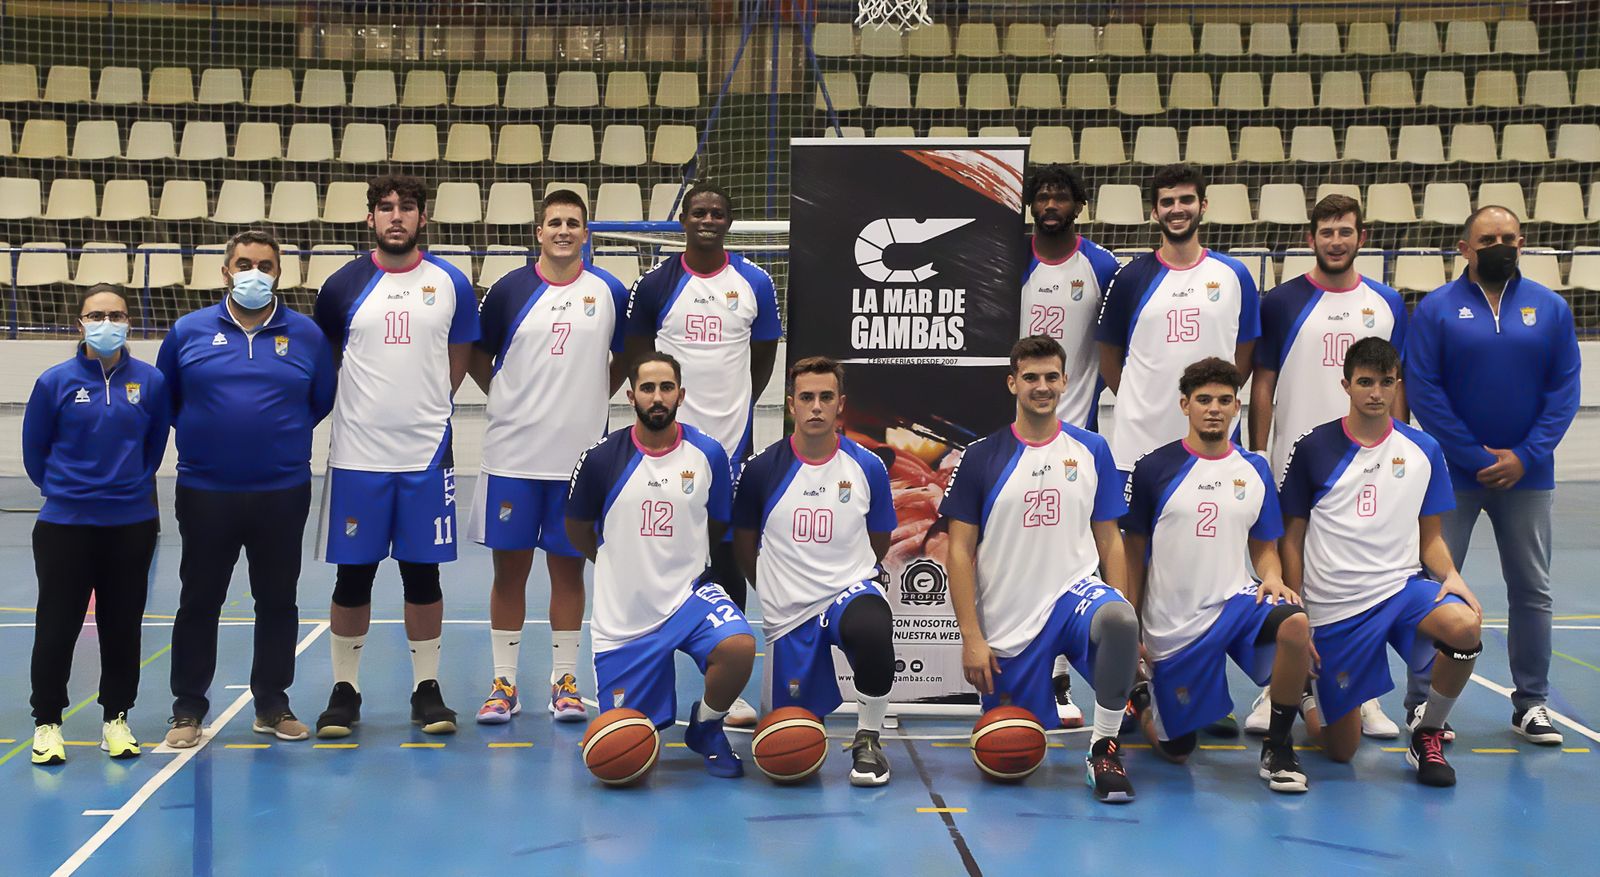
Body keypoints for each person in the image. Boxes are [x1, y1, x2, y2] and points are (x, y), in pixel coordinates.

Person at [1404, 205, 1581, 746]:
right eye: (1488, 238)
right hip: (1451, 476)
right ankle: (1422, 704)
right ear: (1464, 248)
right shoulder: (1436, 309)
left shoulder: (1549, 308)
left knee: (1533, 590)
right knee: (1435, 589)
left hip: (1528, 478)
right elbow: (1424, 388)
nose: (1500, 245)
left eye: (1508, 237)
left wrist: (1525, 456)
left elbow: (1564, 390)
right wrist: (1472, 454)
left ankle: (1531, 703)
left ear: (1522, 242)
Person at [311, 175, 479, 737]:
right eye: (386, 208)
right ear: (370, 220)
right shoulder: (341, 286)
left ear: (423, 218)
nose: (396, 217)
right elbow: (328, 359)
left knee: (422, 574)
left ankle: (426, 688)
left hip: (427, 453)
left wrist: (431, 402)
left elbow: (460, 353)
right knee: (352, 577)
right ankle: (345, 689)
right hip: (358, 453)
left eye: (407, 207)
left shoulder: (451, 282)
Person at [942, 336, 1143, 803]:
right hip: (1011, 616)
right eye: (1031, 377)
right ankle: (1126, 700)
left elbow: (1109, 538)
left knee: (1118, 621)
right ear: (1013, 383)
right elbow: (958, 552)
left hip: (1074, 594)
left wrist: (1125, 611)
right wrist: (972, 637)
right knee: (1008, 756)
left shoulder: (1092, 449)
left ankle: (1104, 747)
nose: (1042, 386)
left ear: (1065, 381)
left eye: (1051, 376)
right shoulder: (980, 458)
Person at [158, 229, 336, 748]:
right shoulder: (189, 331)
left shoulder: (305, 336)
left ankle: (272, 705)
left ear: (279, 273)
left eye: (264, 264)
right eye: (243, 263)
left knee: (277, 600)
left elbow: (318, 400)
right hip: (204, 489)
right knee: (199, 599)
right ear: (225, 271)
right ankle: (188, 708)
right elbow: (167, 401)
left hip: (281, 491)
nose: (253, 272)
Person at [1279, 338, 1484, 786]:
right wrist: (1298, 610)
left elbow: (1431, 538)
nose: (1375, 392)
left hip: (1401, 589)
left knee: (1466, 627)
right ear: (1346, 385)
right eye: (1365, 382)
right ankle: (1310, 700)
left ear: (1397, 385)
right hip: (1337, 608)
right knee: (1340, 751)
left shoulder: (1424, 450)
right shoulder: (1313, 447)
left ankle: (1427, 731)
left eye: (1385, 382)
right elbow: (1291, 538)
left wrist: (1451, 575)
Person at [1244, 194, 1408, 740]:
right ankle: (1276, 686)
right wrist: (1260, 452)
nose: (1336, 240)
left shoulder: (1386, 303)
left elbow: (1393, 382)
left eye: (1345, 231)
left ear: (1362, 236)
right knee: (1292, 575)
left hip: (1367, 463)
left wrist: (1400, 447)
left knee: (1370, 575)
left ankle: (1363, 694)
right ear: (1310, 238)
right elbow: (1262, 381)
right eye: (1326, 231)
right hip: (1296, 458)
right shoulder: (1282, 301)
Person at [465, 190, 629, 726]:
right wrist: (508, 396)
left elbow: (625, 356)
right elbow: (476, 354)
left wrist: (591, 397)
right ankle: (503, 683)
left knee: (569, 573)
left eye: (573, 223)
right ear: (538, 231)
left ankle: (565, 681)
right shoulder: (509, 290)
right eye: (554, 222)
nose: (563, 230)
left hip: (578, 461)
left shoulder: (607, 290)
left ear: (586, 234)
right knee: (508, 572)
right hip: (512, 456)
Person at [622, 180, 781, 726]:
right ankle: (650, 677)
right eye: (698, 212)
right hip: (663, 450)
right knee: (662, 551)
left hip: (730, 450)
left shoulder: (755, 282)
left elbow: (762, 360)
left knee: (727, 556)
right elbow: (640, 365)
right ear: (683, 220)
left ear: (728, 222)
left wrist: (733, 414)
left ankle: (725, 689)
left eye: (717, 212)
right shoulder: (655, 284)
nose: (707, 220)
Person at [1121, 358, 1314, 794]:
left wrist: (1272, 577)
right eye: (1204, 400)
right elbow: (1133, 557)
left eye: (1224, 400)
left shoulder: (1255, 470)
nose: (1214, 409)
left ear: (1237, 407)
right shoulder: (1154, 469)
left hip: (1235, 601)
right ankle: (1143, 698)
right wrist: (1131, 628)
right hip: (1174, 627)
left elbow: (1264, 547)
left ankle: (1278, 746)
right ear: (1184, 405)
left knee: (1296, 624)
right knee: (1176, 752)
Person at [565, 353, 756, 778]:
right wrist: (615, 563)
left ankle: (706, 727)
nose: (657, 397)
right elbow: (577, 529)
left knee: (740, 647)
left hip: (689, 596)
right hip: (625, 618)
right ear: (630, 395)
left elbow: (719, 525)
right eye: (648, 388)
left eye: (666, 388)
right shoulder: (600, 459)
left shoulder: (708, 453)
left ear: (681, 395)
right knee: (623, 757)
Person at [732, 356, 897, 786]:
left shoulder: (868, 467)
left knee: (873, 627)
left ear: (841, 404)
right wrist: (771, 585)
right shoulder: (761, 470)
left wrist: (853, 574)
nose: (817, 407)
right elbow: (745, 543)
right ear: (791, 405)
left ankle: (869, 738)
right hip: (791, 610)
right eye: (807, 398)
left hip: (848, 590)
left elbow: (878, 540)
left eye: (826, 397)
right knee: (791, 751)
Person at [23, 284, 169, 764]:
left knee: (122, 626)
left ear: (130, 322)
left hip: (131, 524)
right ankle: (47, 724)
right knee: (57, 626)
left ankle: (116, 719)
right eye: (97, 315)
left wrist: (122, 488)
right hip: (66, 524)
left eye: (118, 314)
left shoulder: (150, 381)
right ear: (80, 323)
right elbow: (35, 454)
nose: (108, 323)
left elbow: (153, 447)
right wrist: (73, 491)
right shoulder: (54, 382)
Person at [1020, 166, 1121, 727]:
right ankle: (1019, 667)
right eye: (1043, 194)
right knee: (1015, 559)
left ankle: (1060, 680)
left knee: (1072, 562)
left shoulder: (1101, 266)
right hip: (1013, 437)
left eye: (1062, 195)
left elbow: (1116, 343)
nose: (1052, 202)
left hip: (1075, 435)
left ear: (1079, 205)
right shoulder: (1008, 259)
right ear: (1031, 204)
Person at [1095, 164, 1260, 474]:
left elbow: (1246, 349)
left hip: (1214, 437)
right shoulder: (1129, 279)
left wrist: (1215, 399)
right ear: (1155, 212)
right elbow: (1108, 357)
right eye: (1167, 202)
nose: (1177, 209)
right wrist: (1139, 400)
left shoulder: (1234, 275)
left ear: (1203, 206)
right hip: (1139, 442)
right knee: (1137, 525)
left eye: (1186, 200)